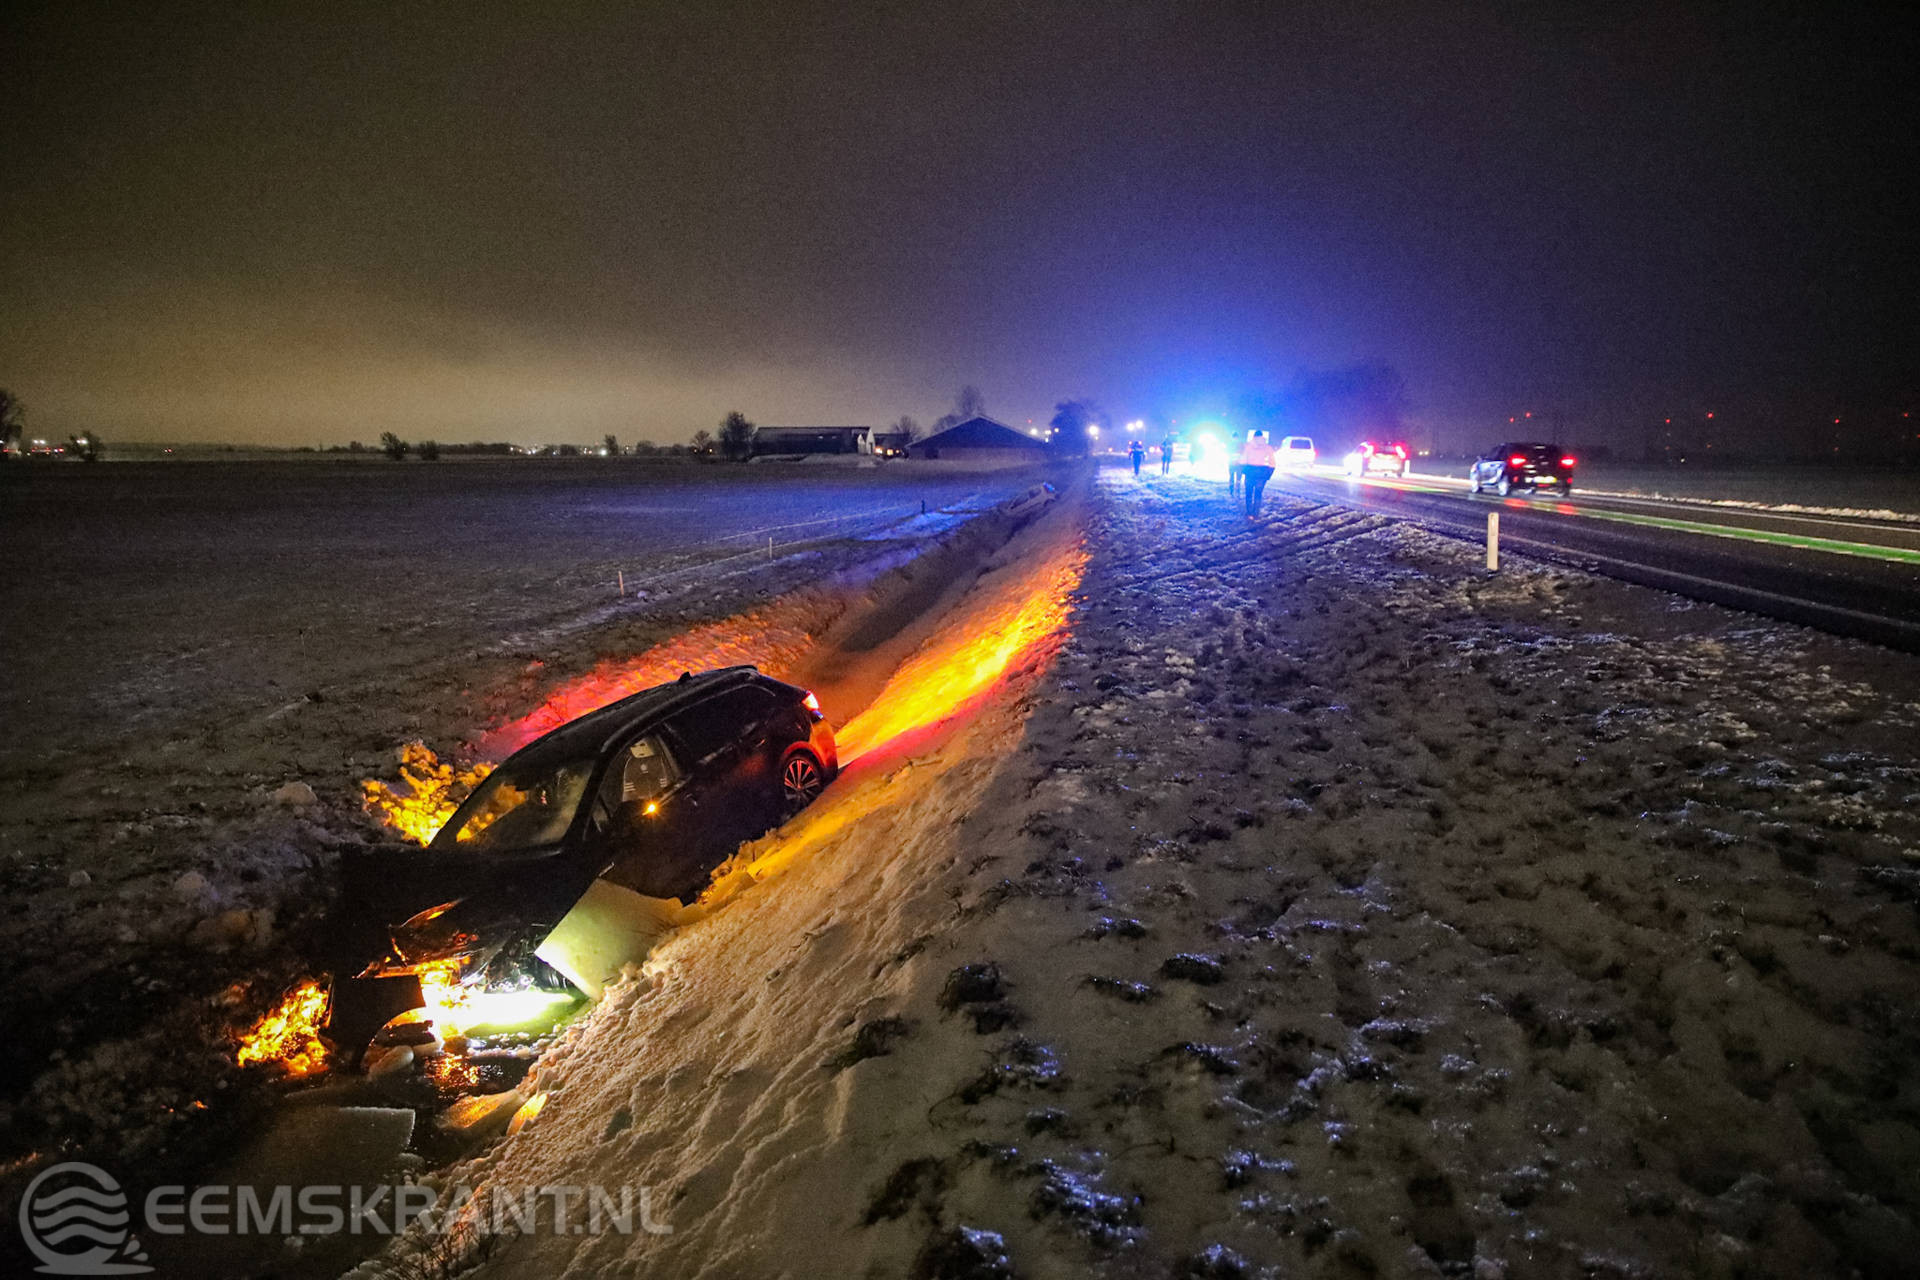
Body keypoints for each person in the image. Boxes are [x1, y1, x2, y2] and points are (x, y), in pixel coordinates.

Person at [1238, 429, 1276, 517]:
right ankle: (1256, 513)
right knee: (1258, 494)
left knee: (1249, 493)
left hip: (1250, 472)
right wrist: (1268, 474)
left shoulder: (1248, 447)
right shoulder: (1268, 447)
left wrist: (1243, 470)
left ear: (1254, 437)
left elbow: (1243, 461)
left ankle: (1249, 512)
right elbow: (1273, 463)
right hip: (1262, 473)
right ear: (1262, 437)